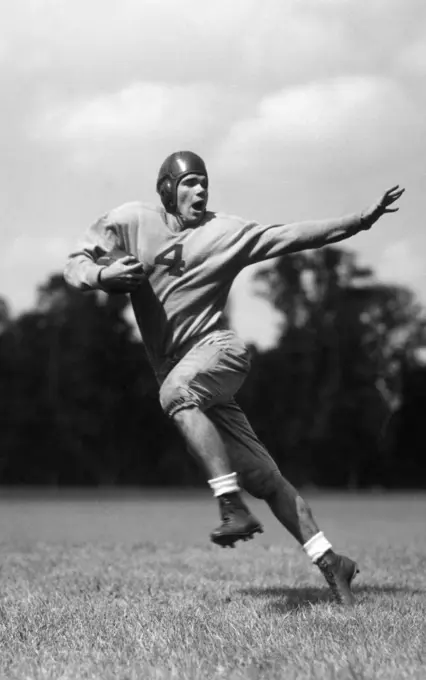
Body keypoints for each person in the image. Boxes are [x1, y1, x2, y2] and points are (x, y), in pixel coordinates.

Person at [64, 151, 404, 605]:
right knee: (265, 478)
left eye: (204, 182)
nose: (200, 190)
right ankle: (332, 563)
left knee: (175, 395)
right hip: (183, 371)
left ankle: (230, 506)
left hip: (219, 353)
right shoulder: (130, 220)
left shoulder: (227, 232)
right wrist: (103, 275)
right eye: (189, 182)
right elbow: (75, 262)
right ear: (166, 188)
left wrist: (359, 221)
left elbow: (293, 236)